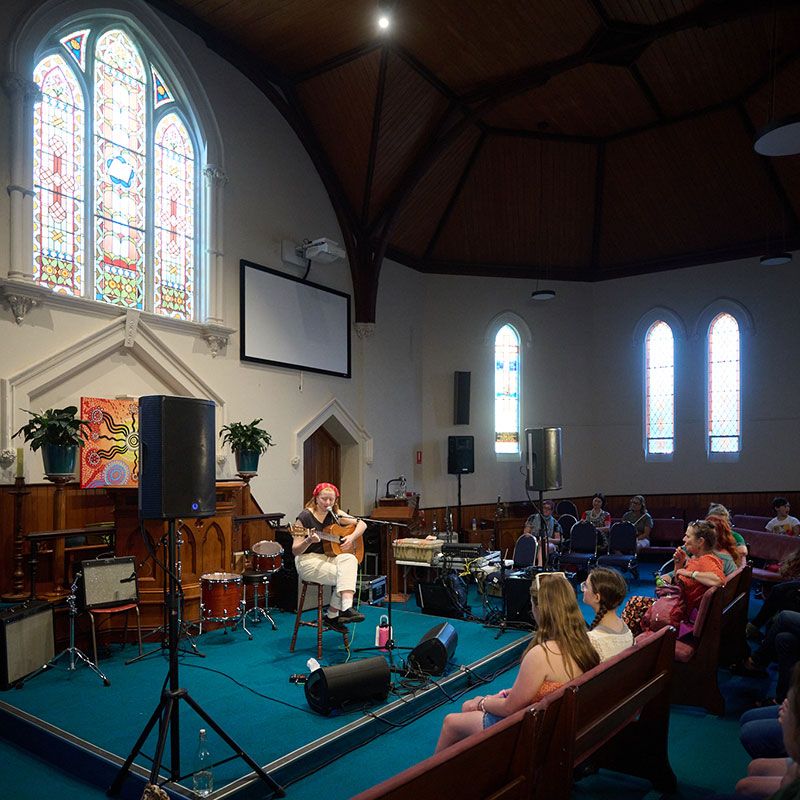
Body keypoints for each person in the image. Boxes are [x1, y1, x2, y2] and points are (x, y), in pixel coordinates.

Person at [434, 573, 599, 753]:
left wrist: (483, 702)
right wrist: (503, 695)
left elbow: (509, 708)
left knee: (451, 722)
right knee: (468, 706)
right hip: (559, 723)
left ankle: (437, 773)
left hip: (535, 731)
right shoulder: (584, 642)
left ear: (539, 608)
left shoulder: (541, 654)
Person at [292, 482, 367, 633]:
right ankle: (336, 614)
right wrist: (308, 540)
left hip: (328, 557)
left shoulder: (335, 513)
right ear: (316, 498)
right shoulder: (304, 517)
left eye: (331, 500)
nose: (327, 503)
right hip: (307, 561)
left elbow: (362, 524)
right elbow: (295, 550)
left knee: (350, 559)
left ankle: (342, 609)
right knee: (345, 575)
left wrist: (351, 538)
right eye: (324, 499)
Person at [583, 568, 634, 661]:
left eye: (585, 586)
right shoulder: (626, 630)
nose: (583, 589)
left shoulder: (593, 640)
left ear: (597, 597)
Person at [523, 500, 562, 565]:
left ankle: (540, 567)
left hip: (549, 543)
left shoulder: (555, 523)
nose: (546, 510)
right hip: (534, 542)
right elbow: (526, 533)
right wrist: (535, 541)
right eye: (544, 508)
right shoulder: (532, 518)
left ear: (551, 511)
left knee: (543, 547)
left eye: (548, 509)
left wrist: (548, 540)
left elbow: (558, 540)